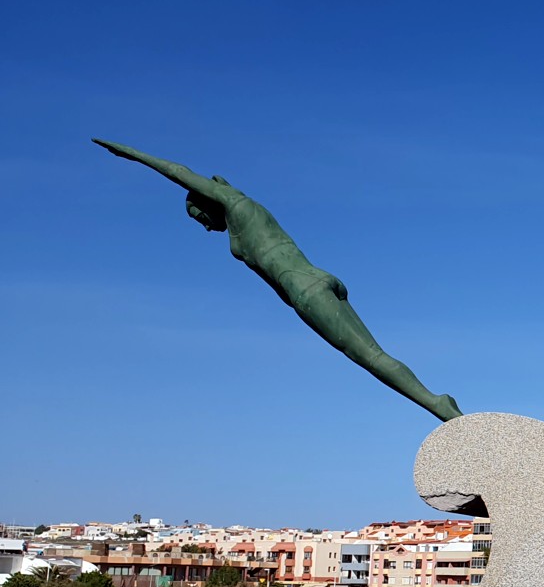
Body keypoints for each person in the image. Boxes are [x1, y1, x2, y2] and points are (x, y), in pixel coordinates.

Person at [92, 139, 462, 422]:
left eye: (199, 218)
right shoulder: (245, 218)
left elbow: (178, 170)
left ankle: (438, 405)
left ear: (207, 202)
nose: (204, 227)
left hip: (304, 289)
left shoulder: (238, 205)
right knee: (374, 355)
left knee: (369, 358)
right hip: (315, 280)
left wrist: (133, 155)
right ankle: (437, 404)